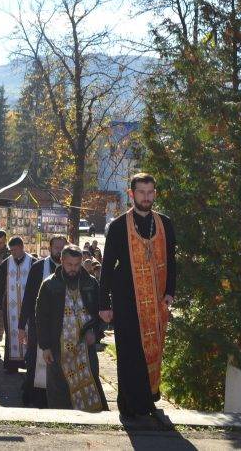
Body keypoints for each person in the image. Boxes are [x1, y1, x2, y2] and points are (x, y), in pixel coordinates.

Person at [99, 173, 176, 419]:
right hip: (126, 300)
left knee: (151, 350)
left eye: (150, 192)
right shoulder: (119, 226)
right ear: (131, 194)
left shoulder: (164, 223)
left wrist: (170, 293)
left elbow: (172, 262)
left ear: (155, 193)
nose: (146, 197)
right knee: (130, 351)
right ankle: (130, 405)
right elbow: (108, 266)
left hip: (155, 300)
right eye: (141, 192)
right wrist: (104, 304)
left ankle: (148, 400)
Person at [36, 245, 107, 412]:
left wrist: (95, 333)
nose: (73, 269)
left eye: (77, 265)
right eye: (69, 265)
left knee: (89, 385)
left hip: (85, 348)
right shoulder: (49, 285)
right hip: (57, 348)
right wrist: (45, 347)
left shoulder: (91, 283)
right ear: (62, 261)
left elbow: (100, 313)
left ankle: (91, 423)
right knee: (59, 390)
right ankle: (63, 425)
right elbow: (41, 318)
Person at [19, 234, 67, 406]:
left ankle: (54, 395)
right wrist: (21, 326)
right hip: (38, 324)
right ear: (50, 248)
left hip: (62, 326)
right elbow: (29, 297)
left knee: (57, 360)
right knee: (34, 359)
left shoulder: (70, 267)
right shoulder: (39, 267)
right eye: (57, 248)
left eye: (63, 248)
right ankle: (32, 396)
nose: (60, 251)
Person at [0, 236, 33, 372]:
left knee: (29, 333)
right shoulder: (5, 263)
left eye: (15, 250)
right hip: (10, 307)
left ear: (22, 247)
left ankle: (29, 362)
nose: (13, 253)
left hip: (29, 307)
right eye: (11, 250)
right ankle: (12, 365)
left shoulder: (33, 262)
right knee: (12, 333)